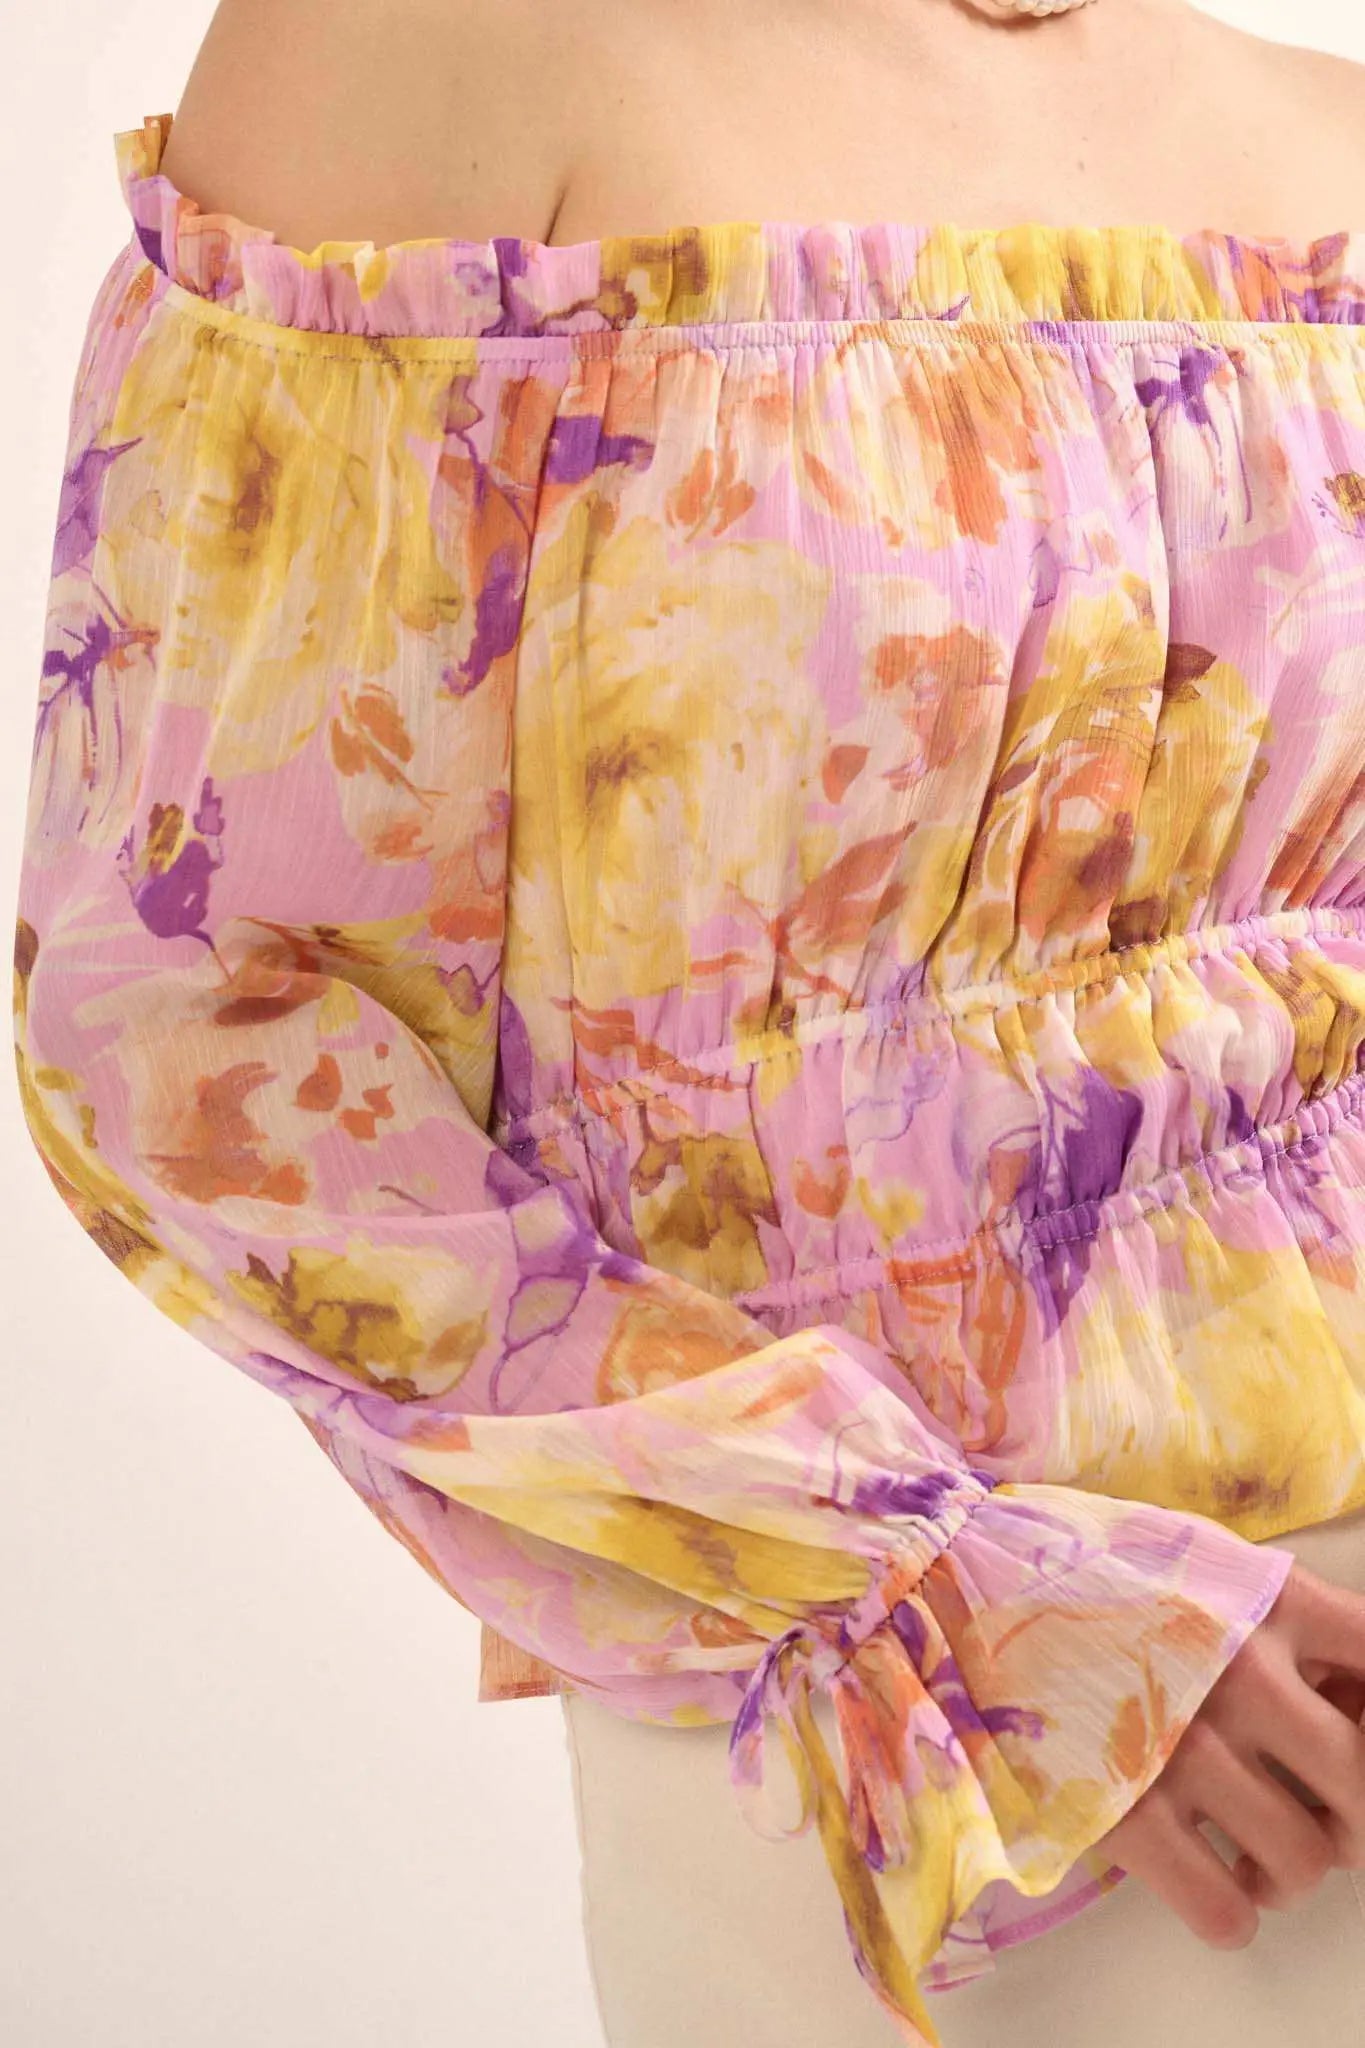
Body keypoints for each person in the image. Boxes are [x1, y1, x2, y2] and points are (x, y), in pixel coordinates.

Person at [13, 1, 1365, 2044]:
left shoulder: (1329, 139)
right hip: (939, 1729)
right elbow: (195, 1019)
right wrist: (935, 1585)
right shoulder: (427, 51)